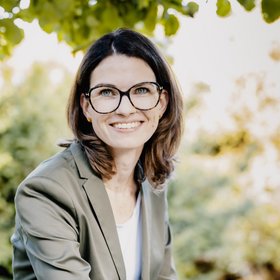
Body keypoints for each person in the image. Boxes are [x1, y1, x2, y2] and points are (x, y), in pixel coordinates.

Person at [11, 28, 184, 280]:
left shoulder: (152, 183)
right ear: (86, 107)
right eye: (107, 92)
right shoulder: (45, 191)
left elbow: (163, 276)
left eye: (141, 90)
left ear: (162, 102)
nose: (125, 108)